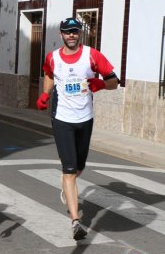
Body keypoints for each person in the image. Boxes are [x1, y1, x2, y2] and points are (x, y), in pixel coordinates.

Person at [36, 17, 119, 241]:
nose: (71, 35)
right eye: (67, 32)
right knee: (69, 170)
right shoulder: (52, 58)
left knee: (79, 167)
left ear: (80, 33)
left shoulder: (92, 55)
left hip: (85, 119)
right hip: (62, 119)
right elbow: (48, 74)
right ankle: (75, 221)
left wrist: (100, 83)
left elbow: (114, 81)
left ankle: (67, 187)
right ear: (61, 34)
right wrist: (45, 94)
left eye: (75, 31)